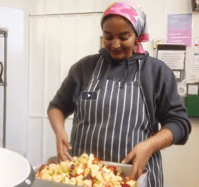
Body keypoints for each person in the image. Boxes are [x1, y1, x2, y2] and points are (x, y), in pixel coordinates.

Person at [47, 1, 191, 186]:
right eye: (108, 37)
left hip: (135, 176)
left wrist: (149, 146)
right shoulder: (84, 67)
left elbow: (179, 123)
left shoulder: (156, 72)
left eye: (124, 37)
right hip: (84, 178)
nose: (115, 44)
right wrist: (60, 132)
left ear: (137, 35)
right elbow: (57, 106)